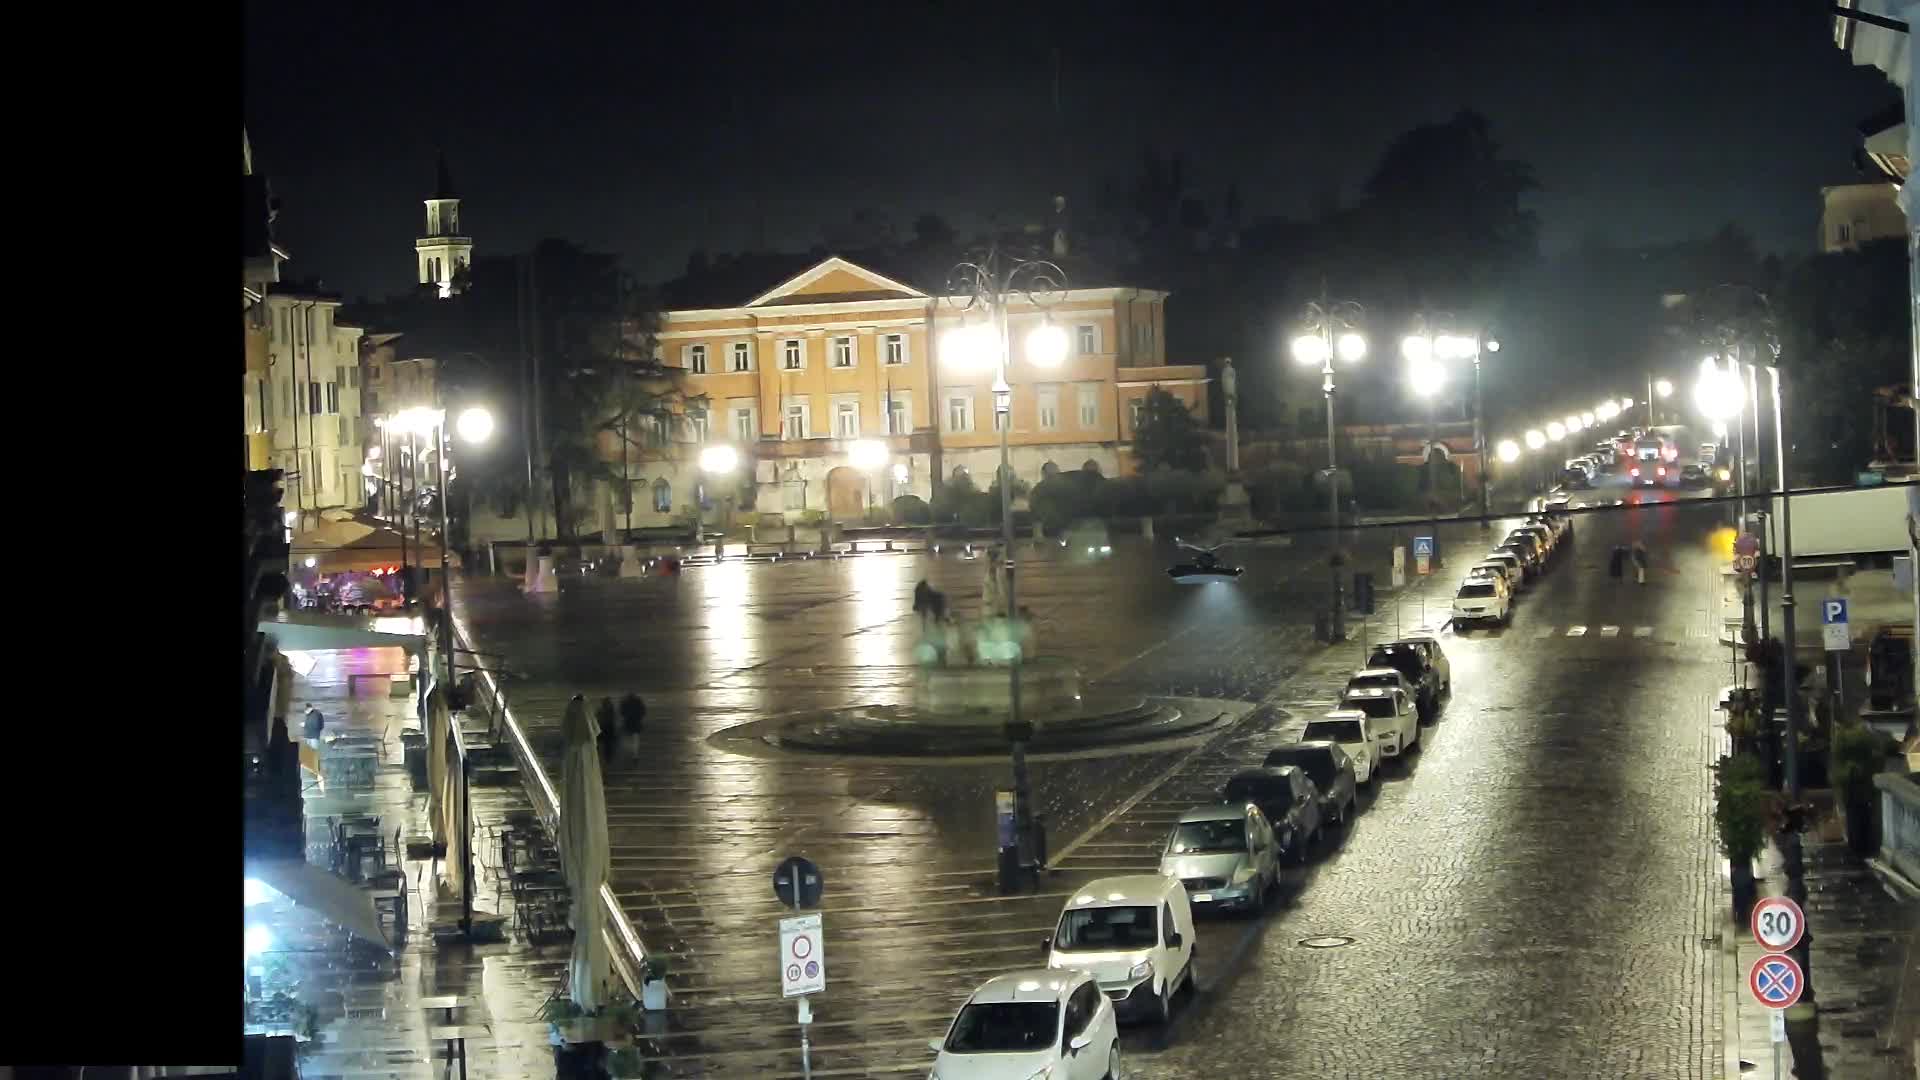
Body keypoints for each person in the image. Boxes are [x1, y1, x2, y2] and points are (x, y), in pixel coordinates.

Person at [618, 693, 646, 759]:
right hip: (636, 724)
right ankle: (634, 755)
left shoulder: (625, 702)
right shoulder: (638, 702)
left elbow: (622, 712)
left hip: (628, 723)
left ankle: (629, 754)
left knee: (627, 739)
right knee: (635, 740)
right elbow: (643, 711)